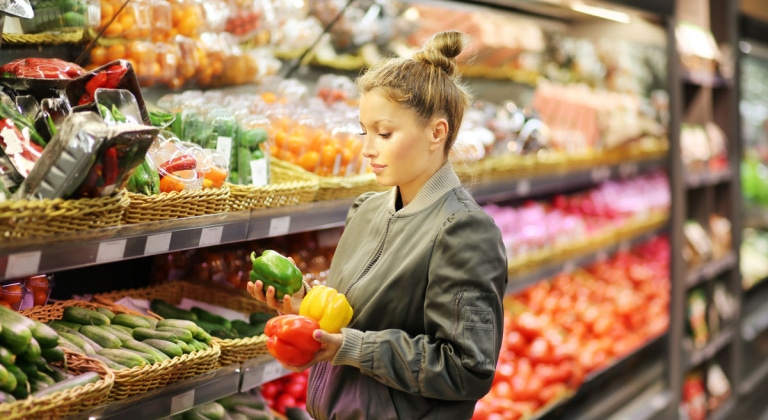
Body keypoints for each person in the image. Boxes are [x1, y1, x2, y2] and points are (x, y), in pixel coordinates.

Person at [247, 30, 508, 420]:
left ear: (437, 132)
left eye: (384, 133)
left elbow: (466, 368)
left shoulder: (464, 231)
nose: (368, 148)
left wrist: (350, 347)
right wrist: (307, 308)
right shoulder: (367, 209)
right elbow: (354, 318)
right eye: (363, 131)